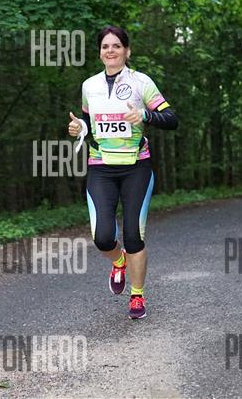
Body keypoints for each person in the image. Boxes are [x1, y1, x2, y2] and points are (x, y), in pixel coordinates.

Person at [67, 26, 178, 320]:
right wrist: (80, 128)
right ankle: (119, 262)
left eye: (116, 45)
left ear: (127, 51)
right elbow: (89, 122)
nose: (111, 51)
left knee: (133, 236)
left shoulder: (142, 83)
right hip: (100, 167)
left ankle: (137, 295)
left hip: (136, 168)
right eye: (105, 46)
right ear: (99, 52)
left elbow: (171, 118)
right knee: (103, 237)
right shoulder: (89, 85)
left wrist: (144, 115)